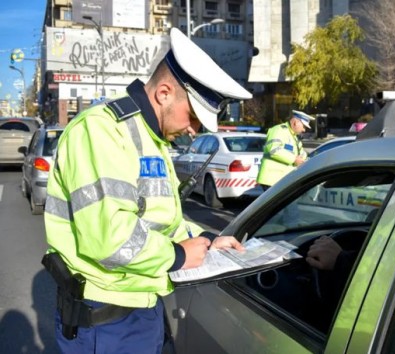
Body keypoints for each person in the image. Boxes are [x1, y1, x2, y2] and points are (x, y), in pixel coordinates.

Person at [43, 28, 251, 353]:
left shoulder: (152, 139)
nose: (193, 130)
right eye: (194, 117)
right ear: (164, 93)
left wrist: (208, 242)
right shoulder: (102, 131)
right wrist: (180, 255)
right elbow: (109, 238)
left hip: (141, 308)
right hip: (105, 319)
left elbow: (162, 222)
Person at [256, 110, 315, 190]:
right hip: (272, 180)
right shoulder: (279, 130)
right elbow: (273, 150)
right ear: (295, 122)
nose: (304, 130)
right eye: (304, 126)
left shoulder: (294, 137)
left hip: (281, 180)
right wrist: (294, 159)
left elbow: (301, 154)